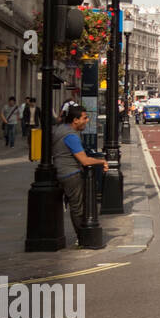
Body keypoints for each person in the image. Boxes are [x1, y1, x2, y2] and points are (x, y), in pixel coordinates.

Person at [53, 105, 109, 247]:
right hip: (71, 174)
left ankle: (82, 237)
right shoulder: (71, 136)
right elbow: (84, 160)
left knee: (77, 206)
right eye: (84, 118)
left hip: (61, 172)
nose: (87, 120)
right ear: (75, 120)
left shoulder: (61, 129)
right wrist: (102, 161)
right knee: (78, 208)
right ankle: (83, 238)